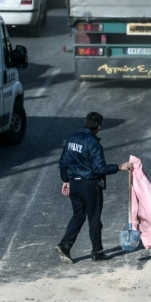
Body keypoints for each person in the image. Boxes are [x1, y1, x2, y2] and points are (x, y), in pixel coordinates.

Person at [55, 111, 131, 264]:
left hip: (74, 185)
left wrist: (66, 180)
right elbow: (99, 169)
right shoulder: (93, 143)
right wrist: (119, 167)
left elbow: (63, 162)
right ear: (99, 127)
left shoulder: (71, 139)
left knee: (78, 216)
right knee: (94, 219)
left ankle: (65, 245)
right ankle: (97, 252)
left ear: (85, 122)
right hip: (89, 186)